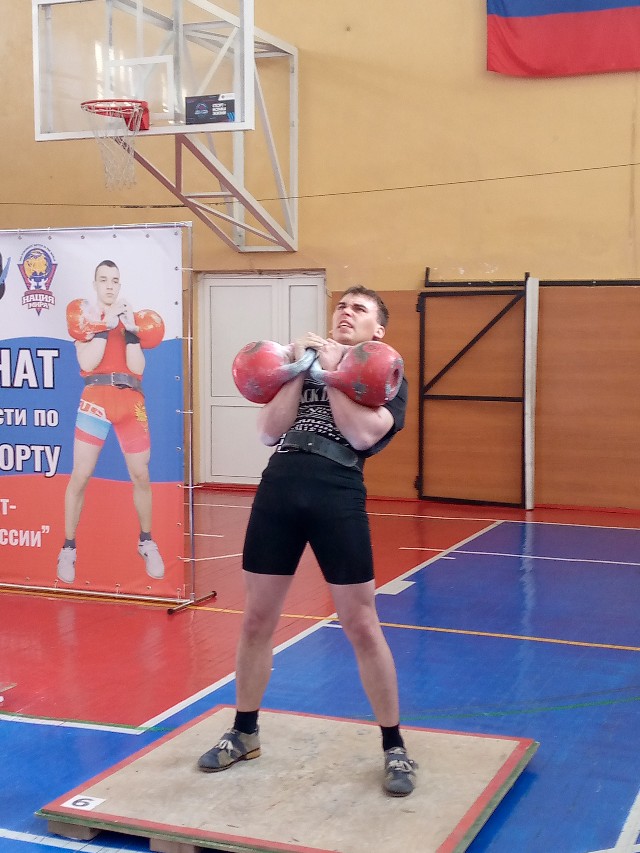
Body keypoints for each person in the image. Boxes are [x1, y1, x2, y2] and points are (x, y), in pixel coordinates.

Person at [197, 285, 416, 796]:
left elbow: (362, 436)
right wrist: (301, 369)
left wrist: (333, 373)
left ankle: (394, 746)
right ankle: (244, 732)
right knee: (256, 619)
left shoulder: (386, 375)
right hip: (280, 484)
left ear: (378, 329)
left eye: (359, 309)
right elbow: (268, 430)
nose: (346, 311)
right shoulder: (302, 365)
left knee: (361, 623)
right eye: (342, 305)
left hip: (336, 489)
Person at [56, 260, 164, 584]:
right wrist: (105, 324)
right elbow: (89, 361)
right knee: (81, 474)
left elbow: (137, 367)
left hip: (130, 402)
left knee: (141, 473)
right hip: (95, 401)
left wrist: (129, 331)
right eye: (103, 280)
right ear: (95, 284)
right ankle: (68, 547)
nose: (109, 285)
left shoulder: (133, 323)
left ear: (120, 285)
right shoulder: (83, 320)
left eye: (114, 280)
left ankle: (146, 541)